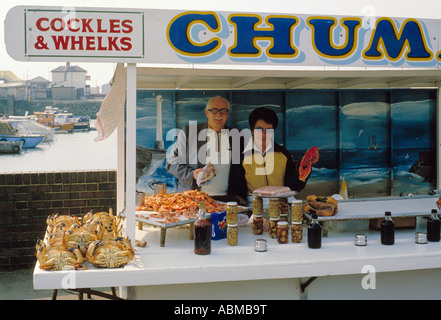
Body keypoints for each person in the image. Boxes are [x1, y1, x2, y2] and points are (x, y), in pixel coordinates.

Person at [228, 107, 317, 204]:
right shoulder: (241, 155)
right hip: (253, 205)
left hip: (281, 205)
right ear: (252, 130)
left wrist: (304, 168)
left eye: (268, 130)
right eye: (259, 129)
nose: (263, 134)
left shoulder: (283, 154)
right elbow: (235, 188)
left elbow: (294, 186)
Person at [166, 96, 244, 203]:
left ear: (228, 113)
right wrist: (192, 174)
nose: (219, 115)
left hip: (228, 200)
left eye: (223, 111)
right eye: (214, 111)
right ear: (207, 113)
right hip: (195, 199)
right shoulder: (189, 132)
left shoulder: (236, 136)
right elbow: (170, 162)